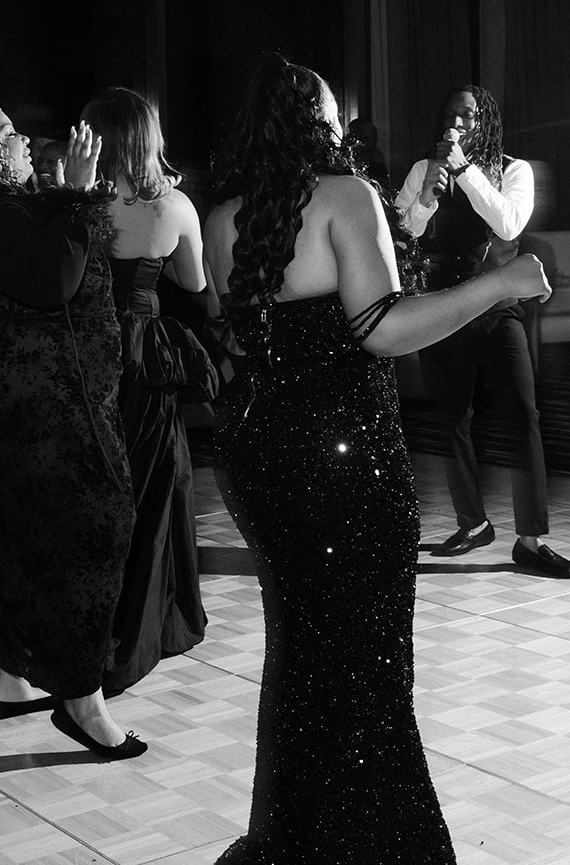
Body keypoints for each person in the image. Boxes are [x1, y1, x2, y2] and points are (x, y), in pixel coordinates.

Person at [205, 52, 551, 862]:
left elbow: (249, 338)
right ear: (312, 120)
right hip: (344, 461)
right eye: (330, 109)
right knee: (366, 667)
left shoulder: (223, 215)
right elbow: (383, 328)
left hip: (262, 457)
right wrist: (502, 287)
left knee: (300, 653)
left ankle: (298, 838)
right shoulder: (344, 197)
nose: (341, 122)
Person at [0, 99, 144, 759]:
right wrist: (74, 193)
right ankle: (82, 702)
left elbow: (49, 251)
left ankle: (12, 679)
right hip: (44, 416)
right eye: (7, 132)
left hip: (19, 411)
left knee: (17, 539)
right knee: (93, 533)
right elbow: (54, 278)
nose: (22, 140)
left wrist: (77, 196)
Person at [394, 85, 570, 578]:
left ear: (487, 121)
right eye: (451, 115)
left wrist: (466, 171)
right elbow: (402, 233)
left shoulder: (514, 170)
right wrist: (430, 193)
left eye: (470, 116)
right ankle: (472, 523)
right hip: (444, 307)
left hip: (498, 306)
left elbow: (510, 223)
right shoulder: (421, 169)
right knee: (452, 417)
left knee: (523, 413)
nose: (459, 124)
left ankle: (530, 540)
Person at [80, 88, 213, 694]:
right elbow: (196, 282)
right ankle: (150, 612)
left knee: (95, 483)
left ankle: (89, 617)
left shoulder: (78, 205)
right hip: (145, 353)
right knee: (155, 483)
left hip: (87, 350)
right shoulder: (177, 207)